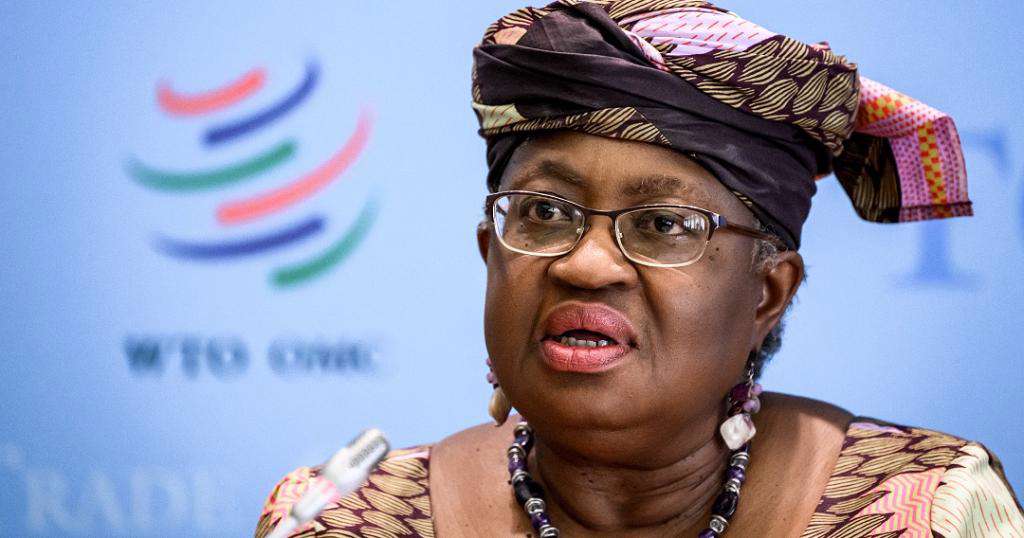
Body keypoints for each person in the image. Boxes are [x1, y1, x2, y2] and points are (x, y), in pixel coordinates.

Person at [255, 1, 1023, 536]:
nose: (587, 265)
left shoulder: (928, 508)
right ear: (491, 255)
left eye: (662, 225)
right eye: (544, 213)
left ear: (766, 294)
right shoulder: (338, 519)